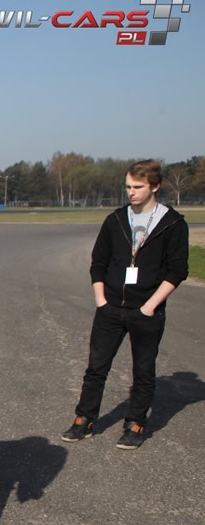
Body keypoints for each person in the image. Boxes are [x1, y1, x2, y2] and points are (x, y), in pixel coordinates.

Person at [60, 160, 189, 450]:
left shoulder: (172, 224)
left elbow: (177, 270)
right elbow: (98, 262)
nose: (131, 192)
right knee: (96, 368)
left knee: (143, 371)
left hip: (147, 310)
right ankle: (84, 419)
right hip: (110, 308)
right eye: (128, 186)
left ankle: (135, 423)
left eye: (137, 187)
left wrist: (150, 306)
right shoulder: (116, 219)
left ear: (154, 186)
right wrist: (101, 299)